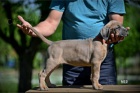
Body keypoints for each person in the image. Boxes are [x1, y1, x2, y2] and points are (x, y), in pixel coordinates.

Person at [17, 0, 126, 85]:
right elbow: (50, 23)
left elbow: (117, 23)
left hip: (103, 59)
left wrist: (117, 35)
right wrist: (34, 30)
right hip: (71, 56)